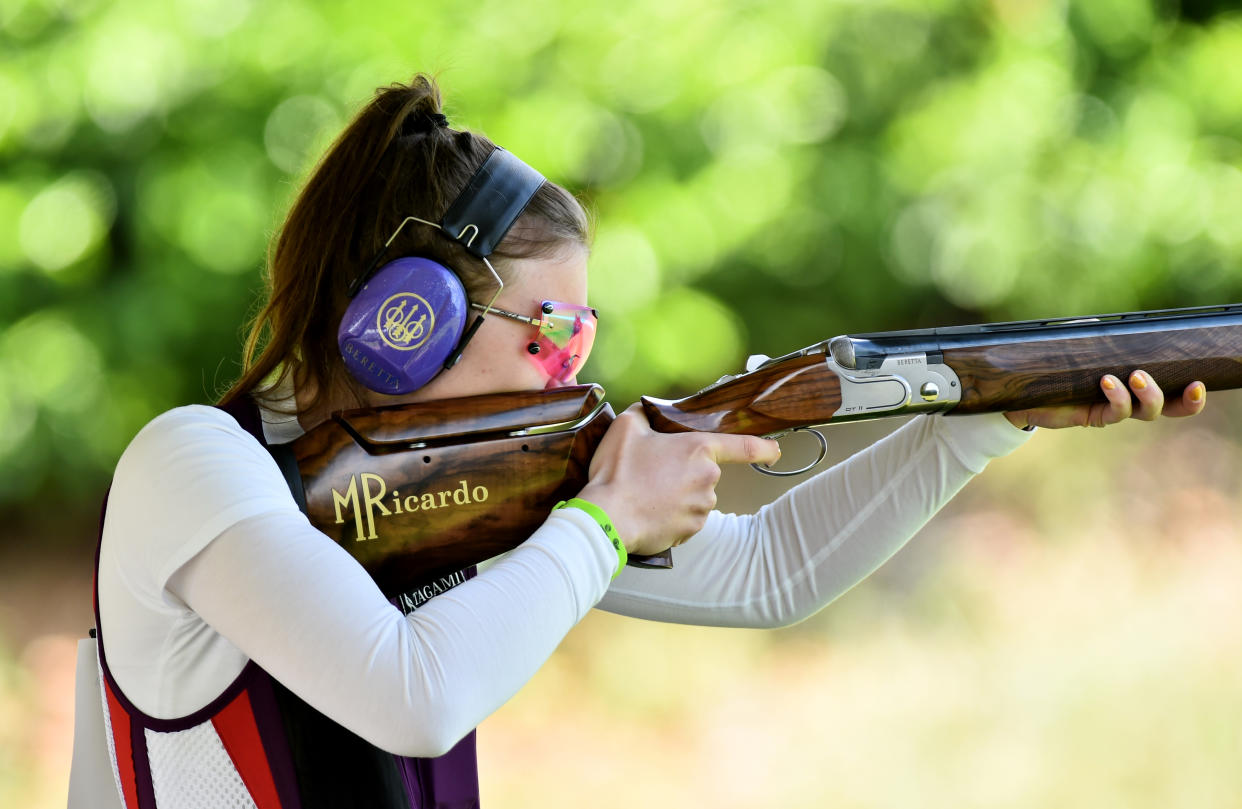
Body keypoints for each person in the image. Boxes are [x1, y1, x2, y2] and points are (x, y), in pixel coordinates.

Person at [81, 74, 1208, 809]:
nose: (575, 368)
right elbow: (413, 693)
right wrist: (602, 521)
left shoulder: (486, 499)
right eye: (550, 330)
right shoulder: (196, 465)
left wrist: (989, 416)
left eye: (587, 330)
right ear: (400, 325)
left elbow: (776, 570)